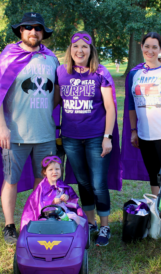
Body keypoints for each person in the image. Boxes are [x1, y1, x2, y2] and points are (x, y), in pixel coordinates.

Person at [0, 12, 61, 245]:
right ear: (21, 31)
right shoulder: (7, 57)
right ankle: (10, 225)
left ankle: (36, 218)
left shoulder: (51, 59)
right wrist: (1, 125)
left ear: (43, 33)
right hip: (15, 134)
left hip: (45, 134)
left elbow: (58, 94)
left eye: (38, 28)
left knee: (41, 180)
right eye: (28, 27)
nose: (33, 32)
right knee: (10, 179)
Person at [56, 31, 122, 246]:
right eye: (76, 46)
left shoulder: (100, 73)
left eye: (85, 47)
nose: (80, 51)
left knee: (98, 183)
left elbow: (110, 107)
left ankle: (105, 226)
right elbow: (54, 101)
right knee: (83, 182)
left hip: (95, 137)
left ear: (91, 50)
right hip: (71, 138)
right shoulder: (61, 72)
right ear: (70, 50)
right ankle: (90, 222)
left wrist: (107, 137)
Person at [121, 32, 161, 195]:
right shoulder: (134, 74)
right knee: (153, 175)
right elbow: (131, 104)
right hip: (144, 135)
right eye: (147, 46)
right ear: (141, 47)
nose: (150, 50)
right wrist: (134, 131)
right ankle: (157, 212)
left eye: (154, 47)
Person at [20, 155, 85, 230]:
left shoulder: (62, 185)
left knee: (74, 218)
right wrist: (52, 201)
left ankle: (72, 235)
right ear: (45, 172)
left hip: (63, 212)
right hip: (48, 215)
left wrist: (66, 197)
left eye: (57, 169)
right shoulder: (42, 187)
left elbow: (71, 199)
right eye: (50, 170)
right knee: (44, 223)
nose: (54, 172)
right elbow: (38, 203)